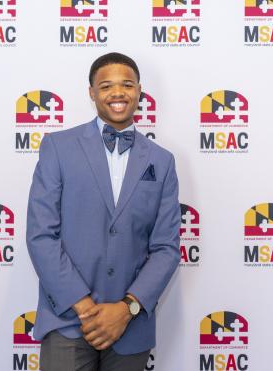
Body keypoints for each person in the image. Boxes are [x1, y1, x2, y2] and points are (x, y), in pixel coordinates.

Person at [26, 52, 180, 371]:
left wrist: (126, 309)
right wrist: (84, 308)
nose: (118, 92)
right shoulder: (58, 147)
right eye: (106, 85)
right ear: (92, 93)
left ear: (139, 91)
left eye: (127, 84)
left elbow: (166, 248)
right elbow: (41, 235)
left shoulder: (162, 161)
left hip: (130, 326)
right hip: (67, 320)